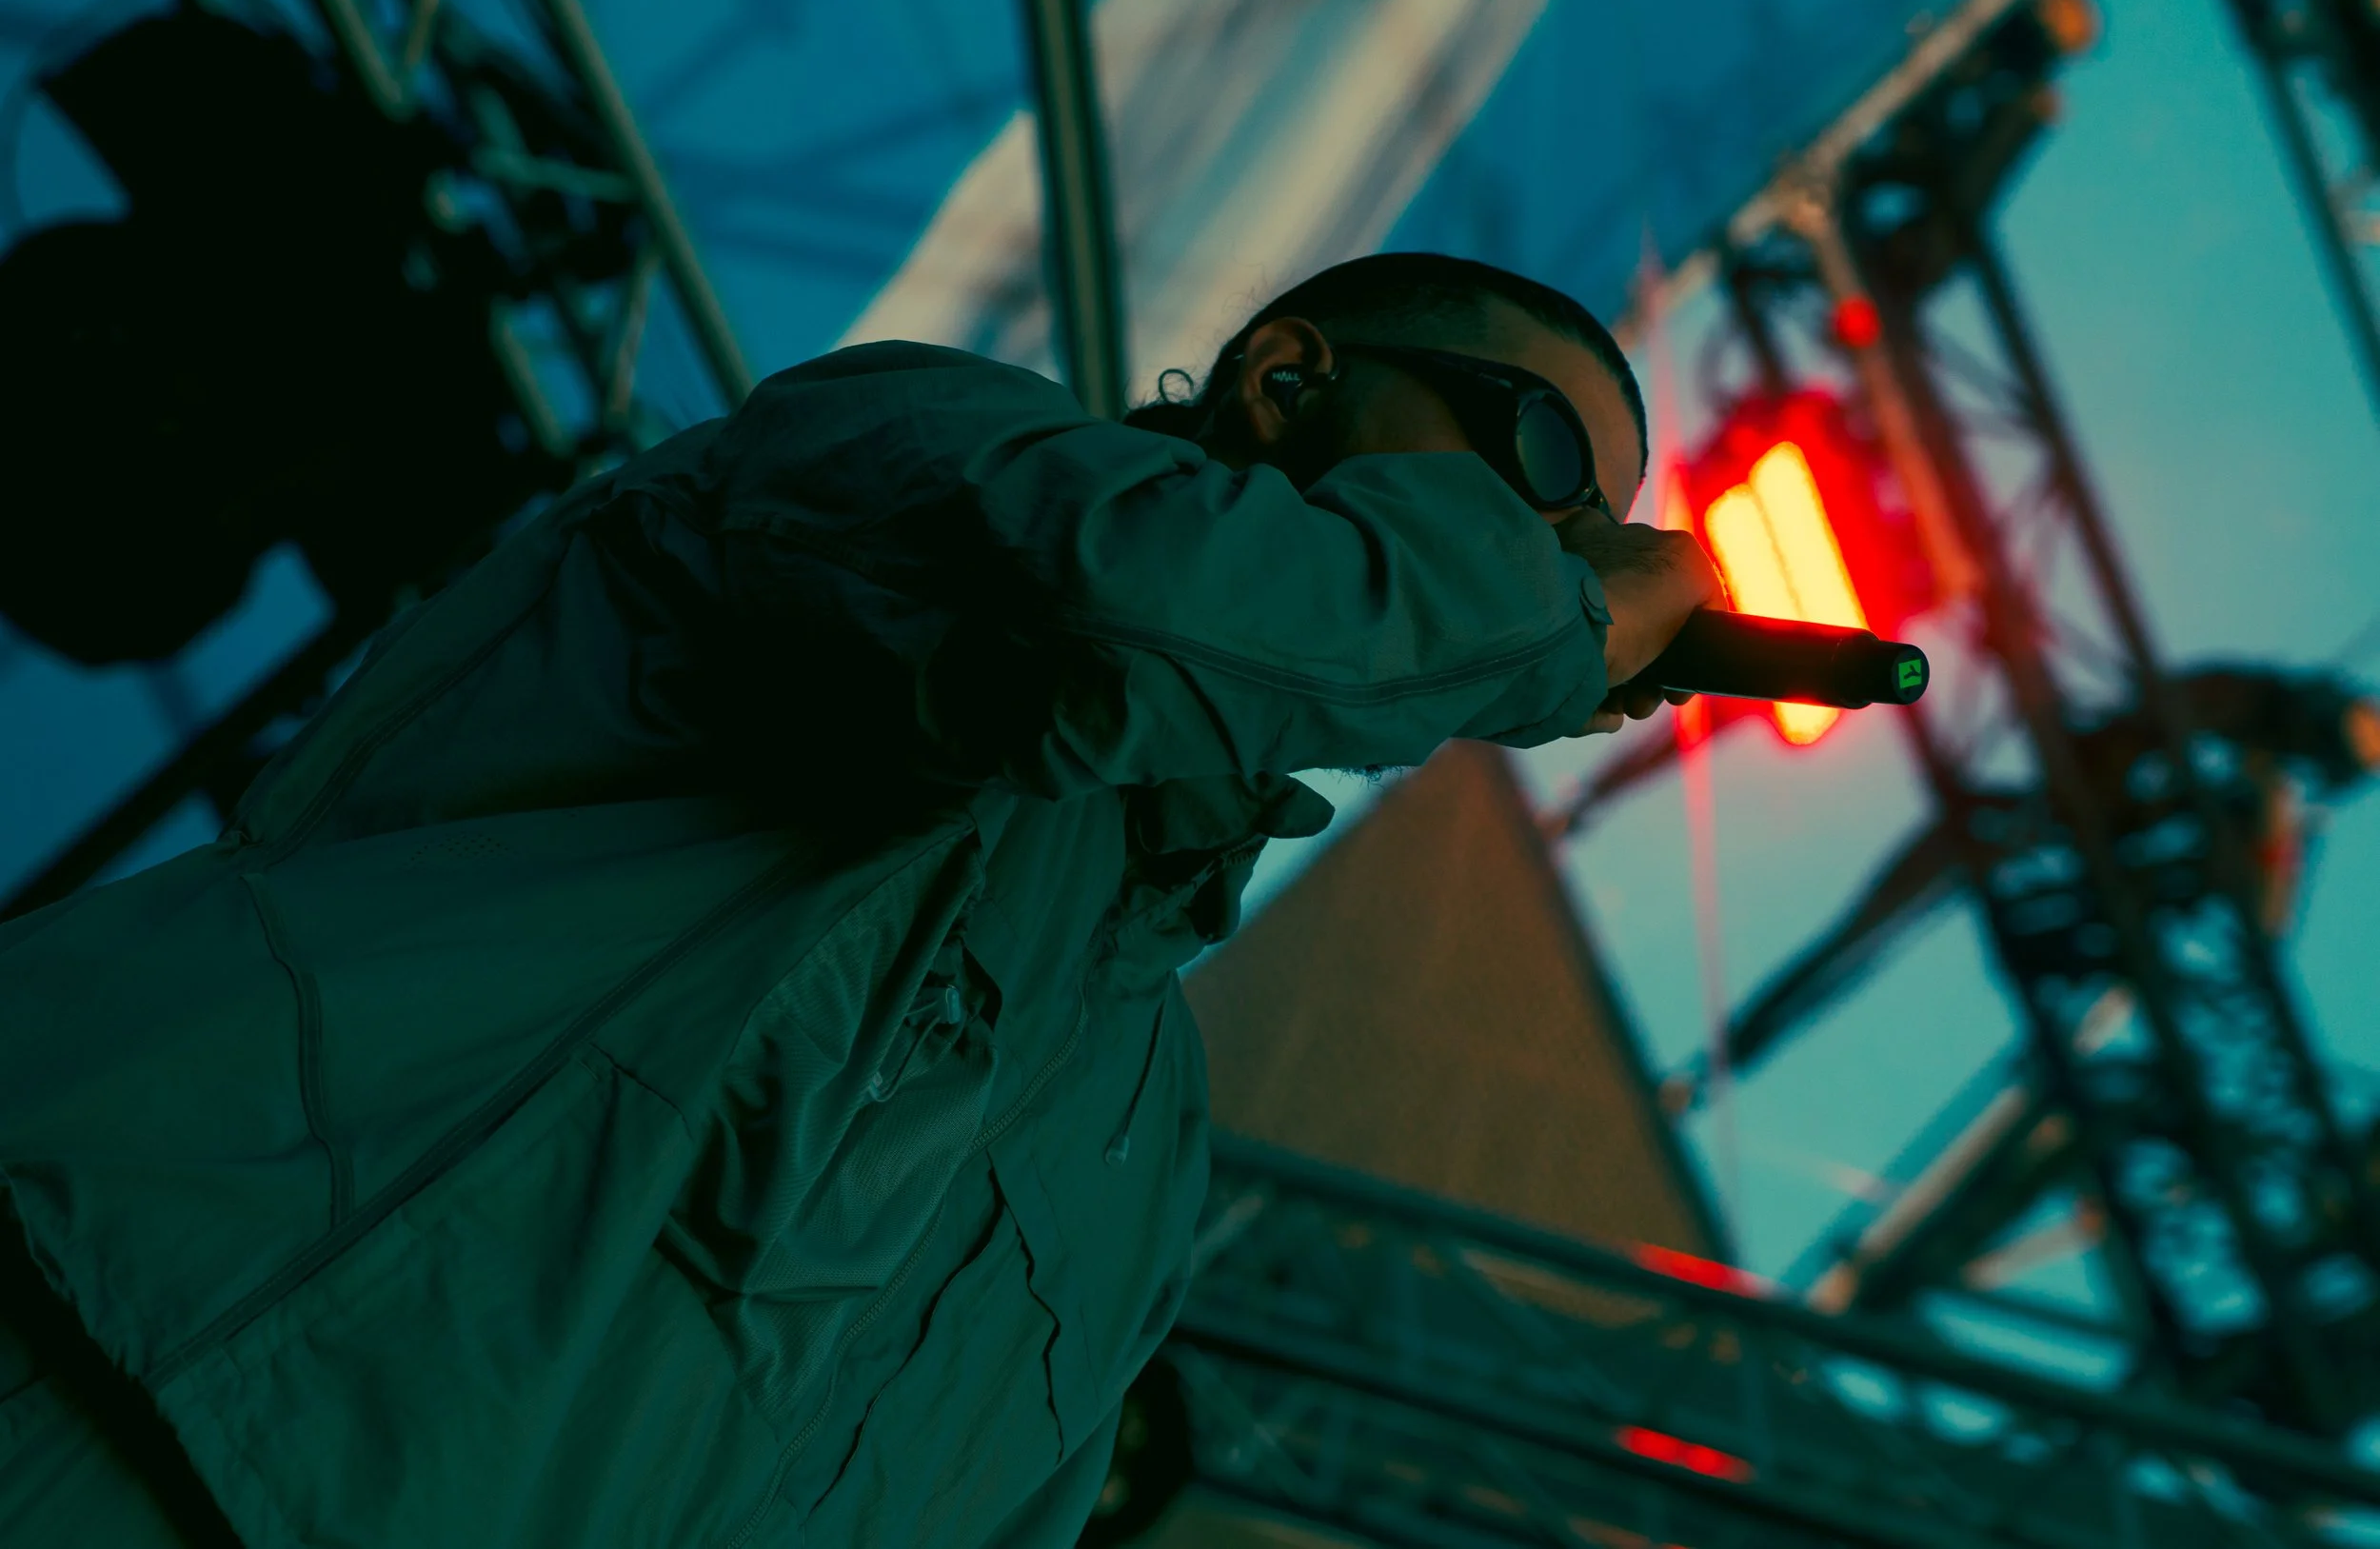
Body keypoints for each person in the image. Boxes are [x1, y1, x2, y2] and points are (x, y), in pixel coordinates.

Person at [0, 251, 1721, 1547]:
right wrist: (1548, 624)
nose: (1558, 549)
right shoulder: (919, 442)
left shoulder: (1143, 1144)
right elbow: (1107, 620)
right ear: (1288, 377)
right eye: (1541, 457)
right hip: (130, 1349)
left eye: (1585, 538)